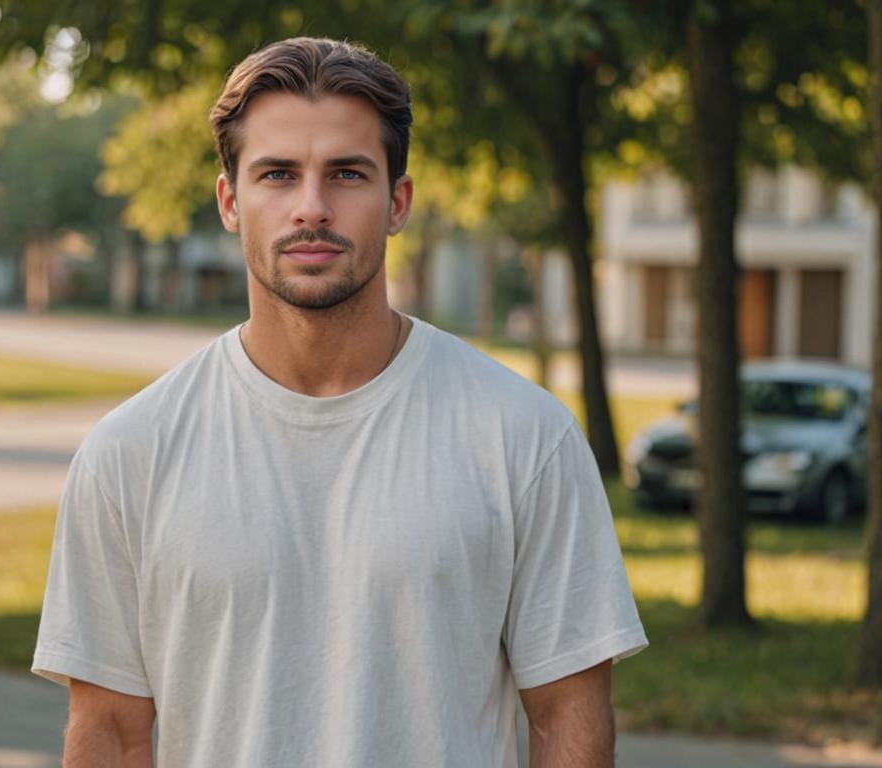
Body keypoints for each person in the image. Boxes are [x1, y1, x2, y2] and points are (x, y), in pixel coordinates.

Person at [32, 36, 647, 767]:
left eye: (347, 174)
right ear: (231, 201)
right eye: (278, 175)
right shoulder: (130, 452)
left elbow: (567, 721)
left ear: (397, 202)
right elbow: (109, 733)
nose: (312, 208)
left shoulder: (524, 436)